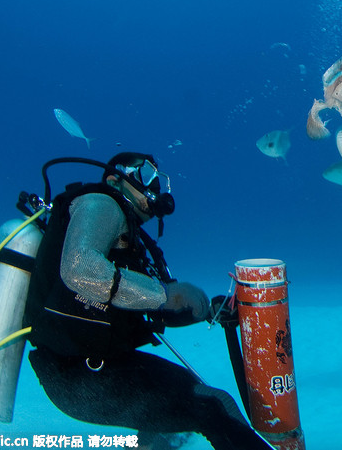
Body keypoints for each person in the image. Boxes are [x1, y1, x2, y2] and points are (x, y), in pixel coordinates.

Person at [23, 152, 272, 450]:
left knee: (177, 409)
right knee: (215, 406)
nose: (153, 186)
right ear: (115, 179)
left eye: (157, 179)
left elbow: (151, 308)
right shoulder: (102, 203)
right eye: (144, 175)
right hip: (81, 376)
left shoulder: (129, 237)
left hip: (89, 368)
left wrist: (207, 311)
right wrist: (163, 295)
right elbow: (80, 268)